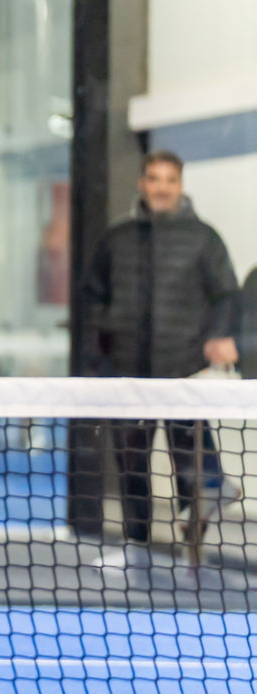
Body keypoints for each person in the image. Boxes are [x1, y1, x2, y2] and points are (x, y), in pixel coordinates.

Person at [80, 149, 242, 581]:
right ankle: (137, 551)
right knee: (131, 465)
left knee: (192, 468)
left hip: (183, 371)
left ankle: (194, 559)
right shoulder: (117, 238)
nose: (162, 187)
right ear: (143, 183)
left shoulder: (204, 238)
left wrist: (219, 337)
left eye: (170, 180)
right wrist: (96, 360)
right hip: (126, 374)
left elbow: (226, 294)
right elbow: (93, 298)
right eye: (154, 178)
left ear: (180, 185)